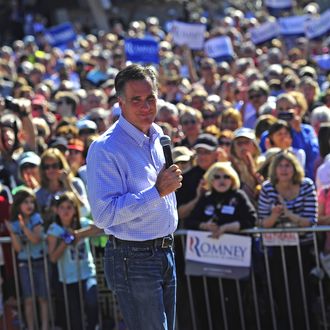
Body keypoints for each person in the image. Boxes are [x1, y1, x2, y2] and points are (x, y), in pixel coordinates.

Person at [86, 64, 182, 330]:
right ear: (120, 103)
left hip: (165, 252)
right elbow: (104, 214)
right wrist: (156, 192)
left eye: (150, 98)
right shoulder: (106, 148)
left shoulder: (159, 136)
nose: (146, 106)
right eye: (136, 100)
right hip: (133, 257)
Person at [258, 150, 317, 330]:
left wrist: (289, 214)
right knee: (280, 295)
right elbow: (262, 222)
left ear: (295, 168)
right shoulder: (268, 188)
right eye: (280, 166)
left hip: (303, 250)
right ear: (274, 170)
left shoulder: (306, 185)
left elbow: (310, 221)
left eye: (288, 165)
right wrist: (275, 216)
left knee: (304, 295)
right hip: (277, 251)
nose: (284, 169)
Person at [47, 192, 101, 330]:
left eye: (69, 207)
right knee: (74, 315)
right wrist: (65, 242)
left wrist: (78, 234)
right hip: (67, 278)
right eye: (62, 207)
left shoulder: (82, 223)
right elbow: (52, 257)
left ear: (74, 209)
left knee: (92, 301)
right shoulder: (54, 229)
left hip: (87, 273)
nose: (66, 211)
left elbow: (99, 228)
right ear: (57, 210)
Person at [5, 188, 48, 330]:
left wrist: (23, 228)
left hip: (40, 262)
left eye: (31, 202)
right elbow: (18, 248)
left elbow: (35, 239)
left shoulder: (36, 218)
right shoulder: (15, 223)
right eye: (25, 202)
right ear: (18, 205)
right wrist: (13, 232)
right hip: (24, 264)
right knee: (28, 300)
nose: (29, 205)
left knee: (43, 298)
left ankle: (45, 327)